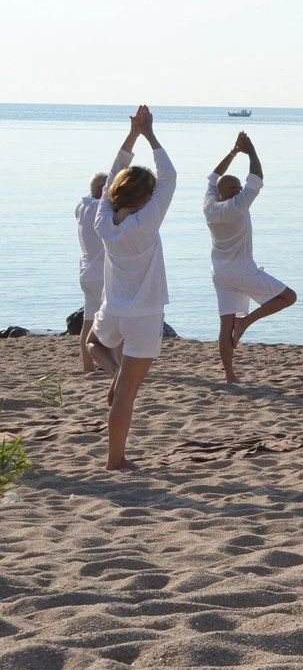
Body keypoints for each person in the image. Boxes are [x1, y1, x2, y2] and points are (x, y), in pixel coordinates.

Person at [86, 106, 177, 471]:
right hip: (143, 315)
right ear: (144, 198)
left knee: (93, 343)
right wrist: (149, 134)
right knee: (126, 394)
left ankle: (115, 373)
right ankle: (116, 460)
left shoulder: (103, 223)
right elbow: (169, 176)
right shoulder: (146, 222)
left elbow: (111, 182)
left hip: (113, 309)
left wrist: (132, 136)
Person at [205, 132, 298, 382]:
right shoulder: (238, 205)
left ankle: (230, 375)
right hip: (242, 270)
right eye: (232, 188)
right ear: (223, 193)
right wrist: (252, 151)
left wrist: (233, 152)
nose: (237, 191)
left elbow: (212, 177)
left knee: (225, 325)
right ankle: (246, 323)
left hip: (220, 272)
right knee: (289, 297)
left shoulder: (209, 205)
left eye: (238, 188)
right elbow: (256, 179)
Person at [74, 172, 108, 374]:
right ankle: (115, 364)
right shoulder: (100, 208)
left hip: (87, 273)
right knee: (116, 321)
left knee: (89, 322)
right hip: (102, 274)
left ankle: (88, 366)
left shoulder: (82, 206)